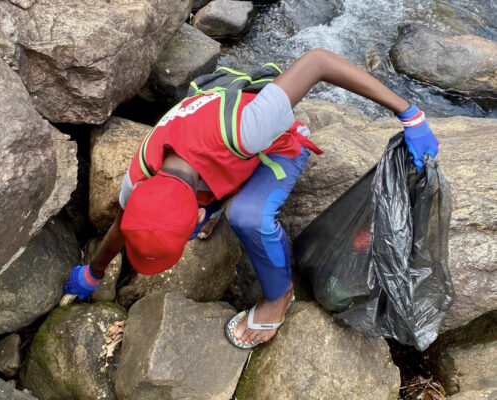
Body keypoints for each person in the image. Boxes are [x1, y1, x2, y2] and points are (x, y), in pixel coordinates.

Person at [63, 48, 438, 349]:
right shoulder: (139, 178)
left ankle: (279, 297)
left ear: (196, 214)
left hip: (273, 147)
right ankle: (215, 204)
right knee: (194, 210)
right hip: (220, 157)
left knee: (247, 216)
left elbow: (319, 61)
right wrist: (93, 273)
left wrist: (410, 114)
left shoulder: (250, 128)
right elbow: (122, 225)